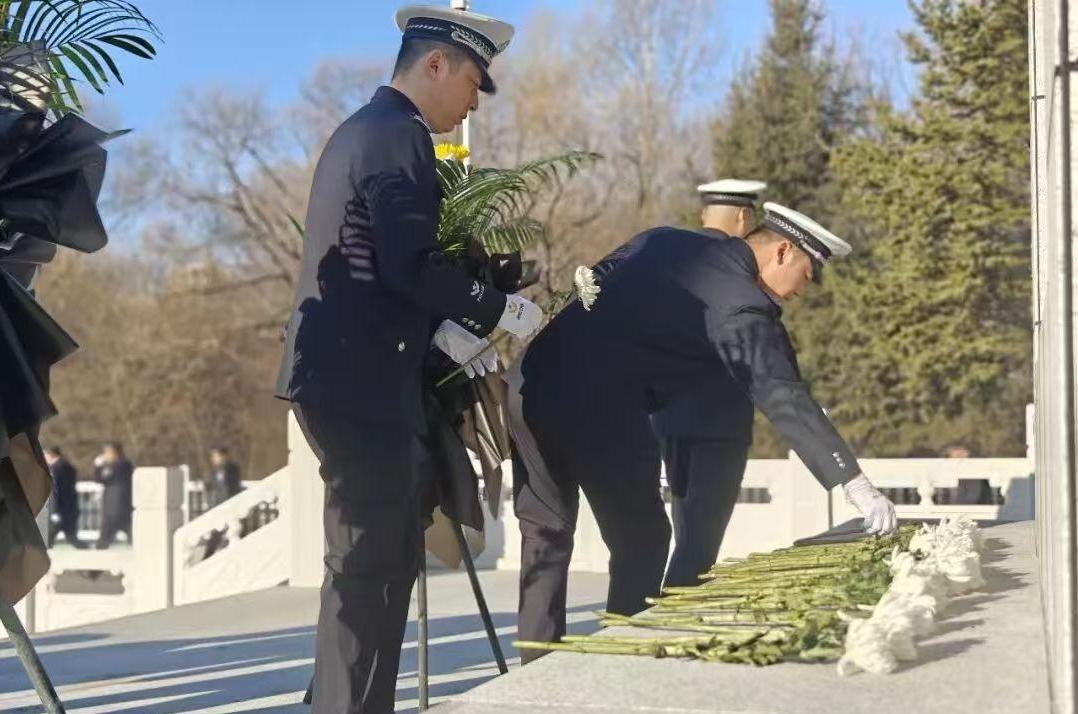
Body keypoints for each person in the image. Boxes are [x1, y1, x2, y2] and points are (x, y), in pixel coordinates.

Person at [274, 5, 541, 711]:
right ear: (436, 64)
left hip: (353, 377)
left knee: (376, 563)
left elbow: (383, 265)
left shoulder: (369, 130)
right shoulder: (398, 135)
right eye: (473, 84)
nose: (472, 104)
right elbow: (409, 263)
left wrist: (441, 329)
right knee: (370, 569)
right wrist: (495, 308)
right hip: (360, 386)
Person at [506, 203, 898, 657]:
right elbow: (779, 392)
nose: (800, 292)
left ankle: (535, 667)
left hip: (528, 382)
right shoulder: (741, 302)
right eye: (806, 276)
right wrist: (853, 482)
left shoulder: (667, 239)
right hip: (597, 404)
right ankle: (622, 665)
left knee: (546, 534)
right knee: (643, 540)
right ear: (783, 252)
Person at [652, 179, 767, 588]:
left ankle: (670, 608)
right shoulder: (737, 268)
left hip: (668, 419)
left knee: (687, 533)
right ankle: (669, 615)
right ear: (744, 217)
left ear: (704, 215)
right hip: (718, 425)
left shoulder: (669, 263)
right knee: (700, 546)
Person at [94, 442, 133, 549]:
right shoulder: (120, 464)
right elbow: (100, 479)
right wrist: (98, 467)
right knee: (130, 532)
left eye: (107, 453)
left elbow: (105, 477)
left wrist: (100, 466)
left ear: (114, 452)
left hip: (116, 507)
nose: (105, 456)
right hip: (115, 507)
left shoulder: (120, 464)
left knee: (105, 537)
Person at [43, 447, 84, 549]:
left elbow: (56, 490)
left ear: (51, 455)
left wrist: (55, 511)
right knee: (71, 537)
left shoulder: (55, 468)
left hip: (61, 507)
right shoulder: (67, 466)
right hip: (70, 506)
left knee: (49, 537)